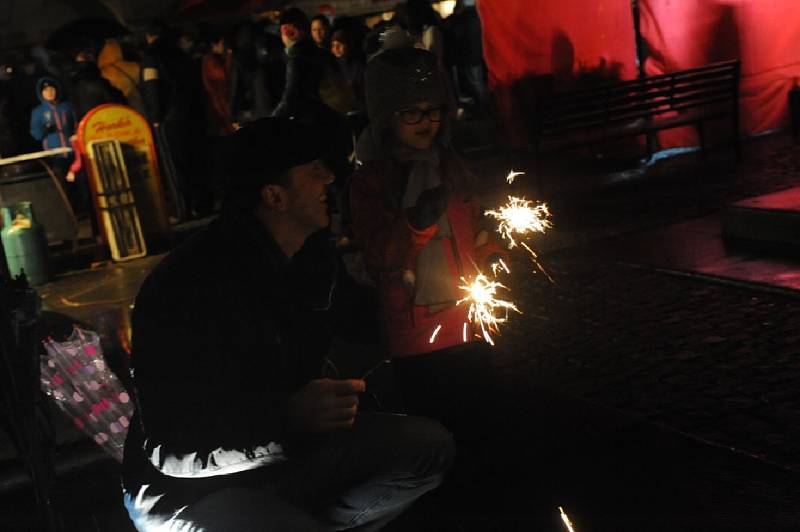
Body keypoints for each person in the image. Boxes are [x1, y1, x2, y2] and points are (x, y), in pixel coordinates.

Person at [121, 117, 455, 532]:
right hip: (190, 493)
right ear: (274, 196)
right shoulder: (187, 287)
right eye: (312, 169)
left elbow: (361, 318)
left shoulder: (311, 258)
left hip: (282, 455)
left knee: (425, 448)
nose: (329, 179)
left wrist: (431, 299)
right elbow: (174, 450)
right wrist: (286, 419)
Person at [348, 46, 506, 432]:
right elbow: (379, 259)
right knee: (437, 430)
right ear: (386, 117)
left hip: (469, 325)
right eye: (411, 112)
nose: (426, 122)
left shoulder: (452, 165)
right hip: (416, 338)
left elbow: (477, 222)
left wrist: (491, 255)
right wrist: (416, 224)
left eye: (433, 110)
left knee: (485, 427)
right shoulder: (370, 183)